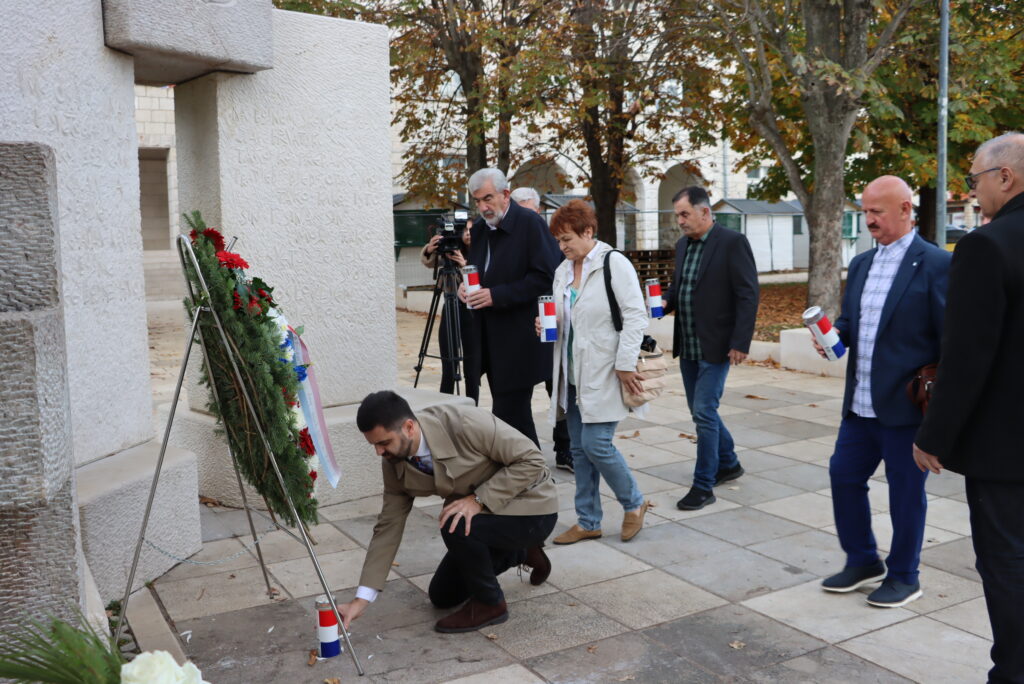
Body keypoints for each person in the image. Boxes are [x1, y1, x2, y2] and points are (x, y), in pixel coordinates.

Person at [914, 132, 1024, 680]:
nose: (973, 190)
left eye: (976, 178)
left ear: (1005, 176)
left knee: (1008, 565)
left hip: (1007, 452)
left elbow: (966, 356)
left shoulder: (987, 246)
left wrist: (933, 435)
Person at [811, 175, 949, 608]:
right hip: (860, 406)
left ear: (906, 209)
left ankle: (905, 576)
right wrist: (832, 336)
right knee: (843, 477)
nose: (868, 219)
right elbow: (851, 324)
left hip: (906, 409)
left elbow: (951, 342)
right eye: (865, 211)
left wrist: (941, 417)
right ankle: (863, 561)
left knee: (905, 494)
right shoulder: (861, 264)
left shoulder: (937, 264)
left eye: (877, 212)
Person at [337, 391, 558, 633]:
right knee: (442, 595)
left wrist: (478, 500)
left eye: (384, 443)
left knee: (455, 523)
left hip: (532, 508)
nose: (379, 452)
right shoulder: (393, 462)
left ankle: (491, 604)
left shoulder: (465, 423)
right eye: (374, 445)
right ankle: (522, 552)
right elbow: (388, 526)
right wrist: (362, 599)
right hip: (488, 518)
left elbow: (532, 461)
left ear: (409, 427)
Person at [534, 199, 652, 545]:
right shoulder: (563, 270)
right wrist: (545, 323)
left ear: (588, 231)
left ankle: (634, 502)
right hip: (571, 374)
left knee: (596, 444)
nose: (562, 246)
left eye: (567, 239)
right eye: (558, 240)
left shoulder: (614, 263)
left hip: (605, 370)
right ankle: (588, 520)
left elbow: (635, 316)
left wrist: (625, 363)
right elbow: (566, 318)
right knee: (579, 450)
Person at [664, 186, 758, 511]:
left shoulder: (732, 242)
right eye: (678, 215)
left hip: (717, 345)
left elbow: (748, 294)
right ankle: (728, 463)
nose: (680, 221)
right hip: (688, 344)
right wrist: (662, 303)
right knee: (701, 411)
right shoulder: (682, 246)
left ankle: (703, 485)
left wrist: (740, 342)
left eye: (684, 214)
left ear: (705, 212)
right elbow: (678, 289)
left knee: (704, 412)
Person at [458, 168, 561, 448]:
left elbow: (545, 277)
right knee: (510, 414)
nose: (483, 207)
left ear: (505, 194)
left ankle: (529, 469)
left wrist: (497, 295)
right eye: (477, 201)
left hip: (520, 337)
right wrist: (465, 288)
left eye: (488, 198)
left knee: (509, 413)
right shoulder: (480, 229)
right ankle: (526, 468)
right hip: (488, 338)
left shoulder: (530, 224)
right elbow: (478, 270)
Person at [510, 185, 574, 473]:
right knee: (518, 395)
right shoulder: (508, 241)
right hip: (519, 328)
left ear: (538, 212)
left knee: (558, 389)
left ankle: (565, 449)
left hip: (550, 324)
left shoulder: (553, 240)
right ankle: (526, 454)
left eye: (530, 213)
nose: (527, 219)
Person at [421, 218, 480, 403]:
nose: (468, 234)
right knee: (449, 365)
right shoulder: (450, 250)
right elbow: (428, 262)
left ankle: (472, 409)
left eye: (471, 230)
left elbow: (480, 283)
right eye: (465, 230)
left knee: (472, 370)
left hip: (472, 312)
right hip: (450, 308)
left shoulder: (481, 252)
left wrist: (464, 264)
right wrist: (430, 249)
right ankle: (445, 407)